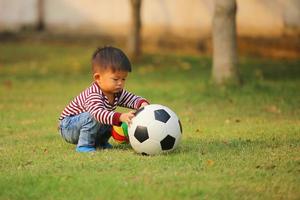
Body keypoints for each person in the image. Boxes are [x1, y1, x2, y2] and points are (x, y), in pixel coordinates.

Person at [58, 46, 149, 152]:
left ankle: (101, 143)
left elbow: (132, 99)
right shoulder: (93, 94)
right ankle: (84, 145)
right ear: (98, 78)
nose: (120, 83)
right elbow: (97, 114)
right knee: (98, 115)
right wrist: (121, 117)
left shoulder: (116, 92)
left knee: (109, 117)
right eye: (115, 79)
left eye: (123, 79)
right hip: (68, 127)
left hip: (84, 124)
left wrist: (142, 104)